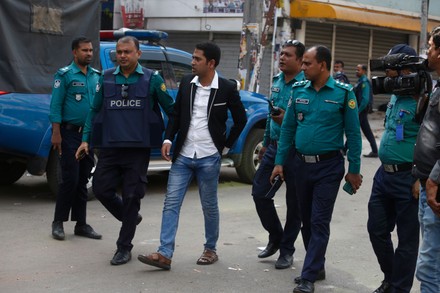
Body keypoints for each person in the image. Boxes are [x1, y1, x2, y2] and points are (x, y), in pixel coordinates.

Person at [137, 42, 247, 270]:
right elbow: (176, 115)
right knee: (171, 204)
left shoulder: (226, 88)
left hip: (209, 157)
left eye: (197, 59)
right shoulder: (187, 83)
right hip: (184, 155)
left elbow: (241, 120)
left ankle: (210, 249)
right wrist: (168, 139)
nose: (192, 62)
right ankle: (165, 254)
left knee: (209, 205)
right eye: (193, 58)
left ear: (211, 63)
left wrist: (225, 147)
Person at [75, 36, 175, 265]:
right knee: (100, 188)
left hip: (137, 150)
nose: (122, 56)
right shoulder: (107, 78)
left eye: (127, 52)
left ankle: (123, 247)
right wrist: (85, 140)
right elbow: (94, 109)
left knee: (132, 196)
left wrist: (170, 137)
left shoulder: (152, 79)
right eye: (119, 52)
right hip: (110, 147)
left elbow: (171, 110)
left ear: (138, 54)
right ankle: (130, 217)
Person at [271, 45, 362, 293]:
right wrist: (280, 162)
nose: (303, 67)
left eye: (307, 63)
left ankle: (308, 277)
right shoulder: (299, 91)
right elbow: (288, 129)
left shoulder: (344, 94)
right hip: (299, 165)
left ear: (322, 65)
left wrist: (354, 168)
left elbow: (354, 134)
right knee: (307, 222)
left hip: (329, 167)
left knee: (320, 220)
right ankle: (317, 265)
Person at [367, 44, 420, 293]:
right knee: (376, 229)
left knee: (407, 241)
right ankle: (391, 277)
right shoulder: (397, 95)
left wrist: (423, 176)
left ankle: (399, 288)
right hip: (383, 175)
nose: (386, 76)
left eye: (391, 70)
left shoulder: (424, 98)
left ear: (406, 70)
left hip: (409, 177)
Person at [252, 40, 304, 270]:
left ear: (301, 61)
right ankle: (276, 236)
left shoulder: (305, 86)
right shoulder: (276, 82)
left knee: (294, 204)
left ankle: (287, 250)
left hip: (295, 150)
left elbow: (309, 123)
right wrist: (264, 144)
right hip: (273, 146)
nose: (282, 58)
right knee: (260, 194)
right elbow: (269, 114)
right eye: (281, 54)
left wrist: (287, 121)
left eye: (288, 55)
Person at [49, 37, 102, 241]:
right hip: (69, 134)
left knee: (83, 179)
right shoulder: (64, 75)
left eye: (90, 50)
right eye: (84, 50)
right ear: (74, 52)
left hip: (88, 136)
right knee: (69, 179)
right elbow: (56, 105)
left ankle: (81, 224)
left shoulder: (96, 76)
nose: (88, 53)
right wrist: (56, 133)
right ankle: (58, 222)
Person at [413, 26, 440, 293]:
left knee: (430, 266)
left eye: (430, 47)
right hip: (428, 183)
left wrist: (433, 179)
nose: (427, 53)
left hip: (437, 188)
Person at [354, 64, 379, 158]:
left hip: (361, 110)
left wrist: (357, 111)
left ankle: (344, 149)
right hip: (361, 110)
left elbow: (365, 99)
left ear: (364, 71)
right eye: (356, 70)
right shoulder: (360, 81)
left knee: (354, 129)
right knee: (366, 131)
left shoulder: (364, 82)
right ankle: (375, 150)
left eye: (358, 70)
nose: (356, 71)